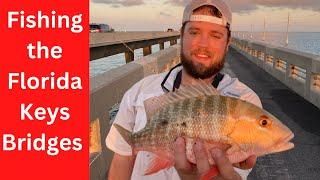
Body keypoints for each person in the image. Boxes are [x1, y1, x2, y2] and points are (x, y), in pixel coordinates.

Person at [106, 0, 262, 179]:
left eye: (215, 35)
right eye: (194, 32)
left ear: (228, 42)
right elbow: (122, 161)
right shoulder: (140, 92)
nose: (203, 44)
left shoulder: (244, 101)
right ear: (181, 35)